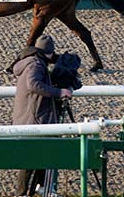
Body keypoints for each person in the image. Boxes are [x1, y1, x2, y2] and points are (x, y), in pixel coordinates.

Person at [12, 34, 72, 197]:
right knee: (36, 155)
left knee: (39, 154)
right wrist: (59, 92)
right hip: (35, 117)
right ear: (49, 52)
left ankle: (34, 188)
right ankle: (25, 191)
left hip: (30, 116)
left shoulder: (30, 62)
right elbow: (34, 85)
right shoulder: (36, 65)